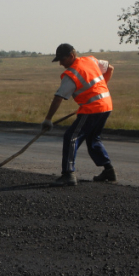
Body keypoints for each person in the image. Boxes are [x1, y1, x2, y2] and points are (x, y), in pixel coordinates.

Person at [42, 43, 115, 187]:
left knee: (71, 137)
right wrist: (100, 91)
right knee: (93, 138)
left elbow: (58, 97)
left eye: (62, 60)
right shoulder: (91, 60)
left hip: (92, 108)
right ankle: (109, 171)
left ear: (71, 56)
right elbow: (110, 68)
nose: (61, 64)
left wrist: (48, 119)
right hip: (106, 105)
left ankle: (68, 174)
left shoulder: (72, 74)